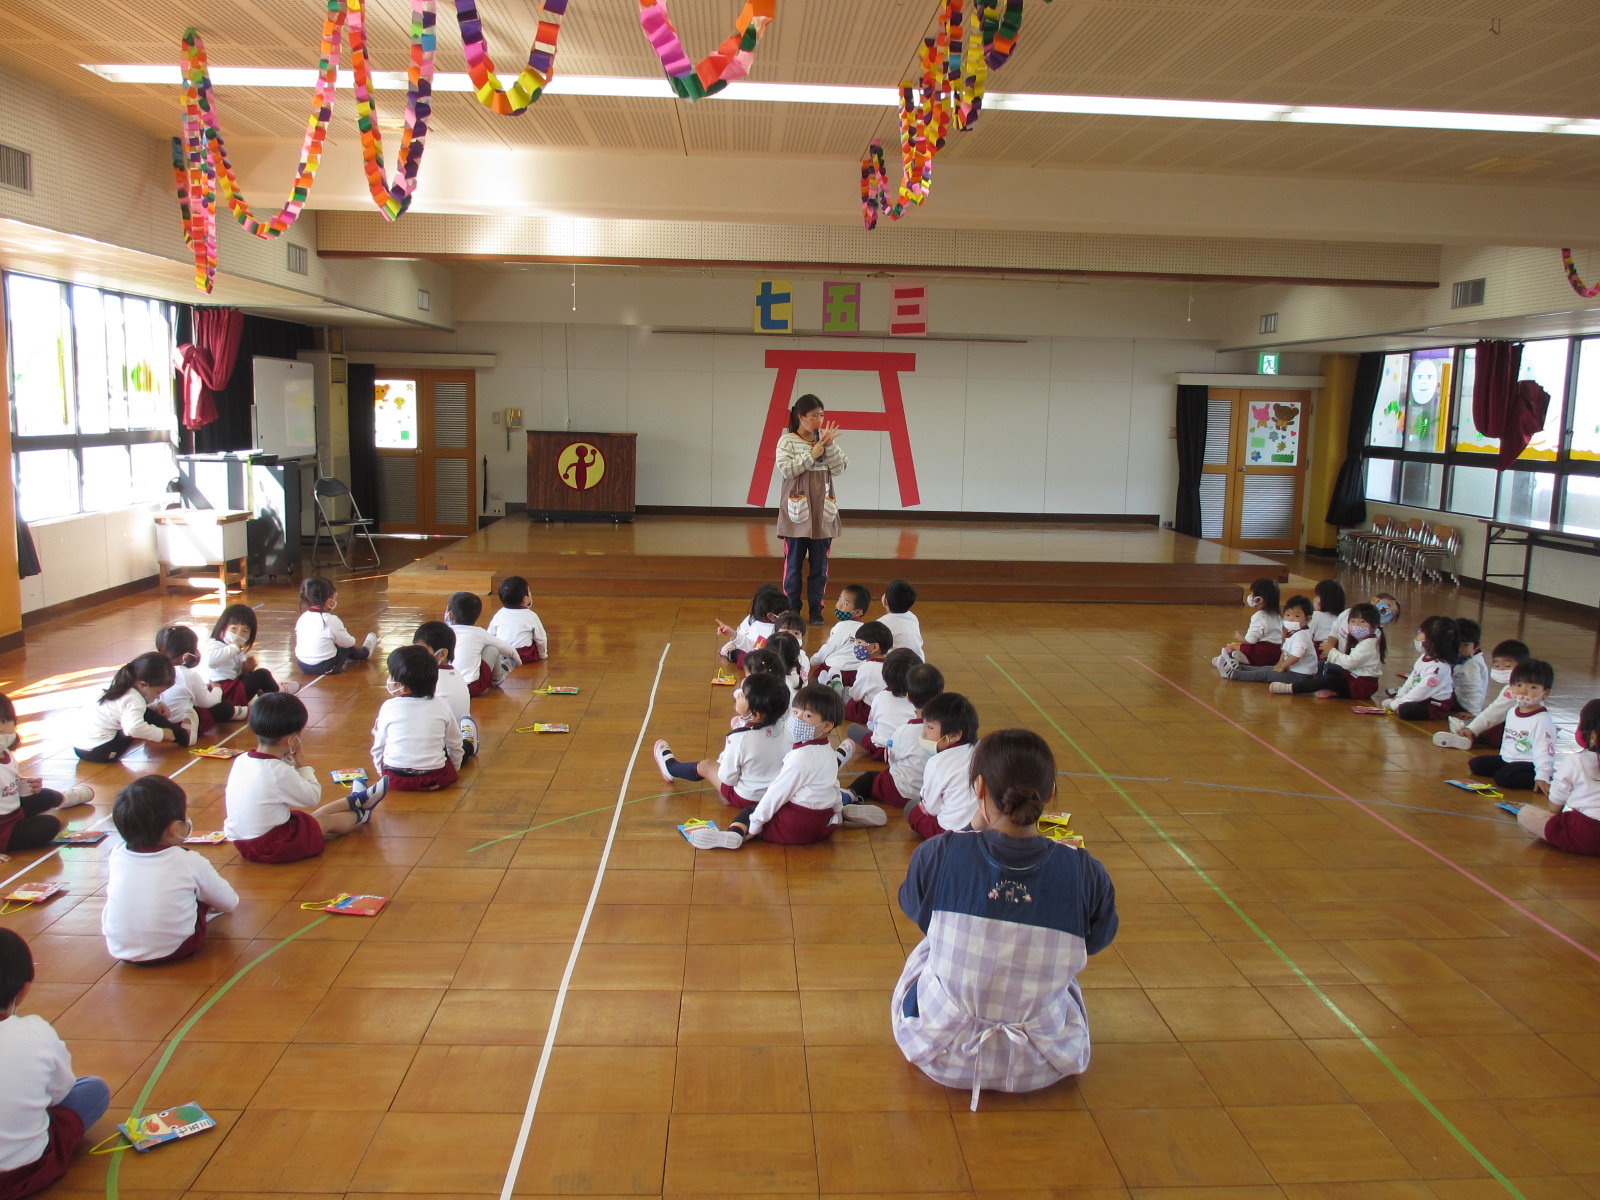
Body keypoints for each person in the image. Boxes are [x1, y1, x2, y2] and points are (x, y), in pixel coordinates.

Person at [892, 728, 1118, 1110]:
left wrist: (968, 830)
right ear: (1049, 796)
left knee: (930, 946)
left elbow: (920, 914)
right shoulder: (1085, 871)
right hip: (1043, 1061)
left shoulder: (939, 854)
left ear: (978, 790)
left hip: (941, 1051)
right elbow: (1096, 940)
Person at [685, 683, 884, 849]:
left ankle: (735, 834)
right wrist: (838, 809)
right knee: (821, 799)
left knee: (750, 811)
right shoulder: (828, 752)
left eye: (807, 716)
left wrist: (755, 825)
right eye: (795, 712)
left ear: (827, 725)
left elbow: (776, 794)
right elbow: (833, 784)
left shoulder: (799, 757)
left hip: (796, 827)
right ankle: (842, 817)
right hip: (824, 824)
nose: (796, 719)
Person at [0, 928, 110, 1199]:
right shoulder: (34, 1031)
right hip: (21, 1172)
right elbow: (61, 1093)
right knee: (93, 1090)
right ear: (23, 990)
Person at [224, 693, 386, 863]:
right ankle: (361, 814)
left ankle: (357, 799)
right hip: (272, 846)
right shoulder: (276, 771)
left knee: (308, 820)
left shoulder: (242, 760)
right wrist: (302, 763)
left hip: (243, 843)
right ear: (293, 739)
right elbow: (312, 797)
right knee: (323, 821)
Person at [103, 776, 239, 963]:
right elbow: (229, 902)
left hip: (119, 948)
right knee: (199, 896)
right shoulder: (187, 860)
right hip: (175, 948)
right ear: (175, 828)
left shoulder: (116, 855)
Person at [654, 672, 790, 807]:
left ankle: (670, 769)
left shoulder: (739, 738)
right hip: (777, 796)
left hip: (748, 798)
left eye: (742, 695)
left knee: (706, 766)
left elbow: (727, 778)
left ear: (756, 714)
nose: (737, 695)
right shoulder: (786, 728)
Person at [774, 394, 847, 626]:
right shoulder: (787, 441)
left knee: (820, 567)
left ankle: (817, 608)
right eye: (814, 415)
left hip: (822, 512)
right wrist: (812, 453)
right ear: (801, 417)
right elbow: (787, 470)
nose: (819, 419)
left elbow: (839, 468)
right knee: (793, 566)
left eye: (822, 415)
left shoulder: (826, 440)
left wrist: (828, 445)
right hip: (797, 513)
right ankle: (792, 609)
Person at [0, 694, 93, 861]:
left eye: (5, 721)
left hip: (13, 811)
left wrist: (23, 785)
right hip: (3, 830)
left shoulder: (6, 753)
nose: (1, 728)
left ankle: (64, 799)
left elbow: (7, 784)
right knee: (50, 826)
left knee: (45, 795)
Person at [846, 663, 944, 808]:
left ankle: (848, 798)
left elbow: (893, 759)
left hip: (900, 792)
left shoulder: (905, 731)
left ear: (908, 697)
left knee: (869, 778)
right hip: (933, 795)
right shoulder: (949, 729)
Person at [1510, 698, 1600, 855]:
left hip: (1585, 833)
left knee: (1526, 814)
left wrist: (1553, 813)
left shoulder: (1576, 760)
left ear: (1592, 736)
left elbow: (1557, 797)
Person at [372, 646, 464, 791]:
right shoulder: (442, 705)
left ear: (402, 687)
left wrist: (382, 774)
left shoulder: (388, 706)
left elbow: (378, 748)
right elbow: (455, 743)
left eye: (392, 676)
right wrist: (455, 769)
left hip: (394, 779)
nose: (389, 680)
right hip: (435, 778)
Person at [72, 652, 185, 761]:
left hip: (80, 747)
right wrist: (162, 734)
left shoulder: (122, 685)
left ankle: (179, 735)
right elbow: (133, 728)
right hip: (100, 752)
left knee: (144, 714)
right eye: (158, 692)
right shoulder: (135, 699)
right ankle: (182, 737)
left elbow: (125, 708)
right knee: (146, 716)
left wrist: (155, 705)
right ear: (143, 684)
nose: (158, 697)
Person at [1466, 659, 1556, 793]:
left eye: (1532, 687)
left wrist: (1543, 775)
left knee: (1504, 777)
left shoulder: (1542, 720)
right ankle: (1506, 769)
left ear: (1546, 693)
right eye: (1518, 685)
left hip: (1528, 764)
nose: (1523, 691)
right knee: (1476, 764)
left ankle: (1546, 779)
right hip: (1507, 760)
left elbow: (1544, 751)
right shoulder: (1512, 712)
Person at [1269, 602, 1385, 699]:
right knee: (1324, 665)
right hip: (1352, 677)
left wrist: (1331, 651)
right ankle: (1326, 688)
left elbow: (1349, 662)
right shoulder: (1360, 641)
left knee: (1328, 679)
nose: (1356, 625)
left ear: (1374, 626)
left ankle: (1291, 688)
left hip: (1360, 687)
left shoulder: (1369, 644)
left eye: (1362, 622)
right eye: (1353, 621)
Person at [905, 692, 981, 839]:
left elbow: (931, 809)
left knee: (911, 809)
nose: (924, 733)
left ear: (954, 736)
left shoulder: (936, 763)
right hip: (986, 831)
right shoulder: (984, 748)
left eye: (930, 728)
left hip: (950, 835)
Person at [1434, 639, 1531, 751]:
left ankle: (1468, 735)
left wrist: (1472, 728)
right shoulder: (1514, 686)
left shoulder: (1516, 690)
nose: (1501, 669)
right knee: (1478, 722)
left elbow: (1495, 711)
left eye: (1507, 665)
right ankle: (1468, 733)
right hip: (1518, 728)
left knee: (1486, 729)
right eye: (1497, 665)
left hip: (1518, 733)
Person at [155, 624, 243, 741]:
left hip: (157, 723)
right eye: (195, 649)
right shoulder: (189, 675)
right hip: (180, 722)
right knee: (223, 708)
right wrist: (218, 689)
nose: (198, 652)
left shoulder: (154, 668)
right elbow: (209, 703)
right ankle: (242, 712)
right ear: (186, 655)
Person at [200, 604, 296, 704]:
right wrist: (234, 648)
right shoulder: (216, 645)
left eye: (245, 631)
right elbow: (210, 662)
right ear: (223, 627)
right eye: (233, 629)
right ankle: (278, 692)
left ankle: (266, 693)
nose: (239, 634)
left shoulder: (237, 647)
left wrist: (245, 668)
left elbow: (236, 671)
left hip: (234, 687)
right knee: (263, 674)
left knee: (253, 675)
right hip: (225, 692)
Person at [414, 622, 478, 760]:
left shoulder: (428, 679)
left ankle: (469, 744)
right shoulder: (456, 673)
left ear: (442, 654)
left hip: (440, 741)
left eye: (422, 651)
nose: (417, 656)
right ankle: (467, 743)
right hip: (448, 738)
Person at [1222, 594, 1317, 685]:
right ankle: (1239, 667)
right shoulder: (1292, 632)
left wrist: (1283, 666)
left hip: (1301, 676)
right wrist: (1280, 663)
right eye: (1287, 615)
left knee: (1267, 674)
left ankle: (1234, 674)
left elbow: (1296, 656)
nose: (1290, 619)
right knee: (1268, 668)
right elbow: (1284, 651)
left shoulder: (1301, 635)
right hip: (1292, 670)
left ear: (1308, 619)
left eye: (1296, 616)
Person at [847, 646, 921, 759]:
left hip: (882, 751)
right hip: (911, 752)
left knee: (852, 729)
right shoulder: (921, 699)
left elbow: (871, 724)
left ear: (885, 675)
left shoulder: (880, 697)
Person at [294, 577, 376, 676]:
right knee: (346, 646)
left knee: (332, 640)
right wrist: (352, 641)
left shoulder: (303, 618)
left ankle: (348, 656)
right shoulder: (330, 619)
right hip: (328, 667)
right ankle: (364, 652)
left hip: (303, 666)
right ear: (328, 601)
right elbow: (348, 642)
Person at [1381, 615, 1459, 721]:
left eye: (1421, 632)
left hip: (1433, 705)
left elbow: (1422, 690)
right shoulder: (1424, 657)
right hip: (1421, 698)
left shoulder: (1439, 668)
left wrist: (1396, 704)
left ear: (1432, 640)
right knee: (1402, 702)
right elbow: (1412, 678)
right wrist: (1400, 695)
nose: (1417, 635)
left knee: (1406, 710)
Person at [445, 591, 518, 698]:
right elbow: (505, 648)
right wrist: (517, 659)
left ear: (450, 615)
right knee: (492, 649)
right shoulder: (479, 632)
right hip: (472, 687)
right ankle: (498, 678)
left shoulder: (443, 633)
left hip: (450, 688)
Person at [813, 585, 871, 686]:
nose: (839, 605)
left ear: (858, 612)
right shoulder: (864, 628)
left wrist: (814, 660)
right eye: (839, 599)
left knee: (818, 674)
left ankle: (831, 686)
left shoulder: (841, 627)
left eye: (845, 603)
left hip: (838, 672)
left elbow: (828, 648)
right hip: (857, 673)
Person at [1218, 578, 1283, 668]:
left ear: (1259, 599)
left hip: (1262, 652)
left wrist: (1240, 638)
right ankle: (1239, 657)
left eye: (1252, 593)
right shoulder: (1278, 615)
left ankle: (1240, 660)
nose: (1250, 596)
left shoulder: (1259, 616)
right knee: (1242, 647)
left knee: (1232, 646)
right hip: (1276, 653)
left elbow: (1250, 640)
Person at [716, 584, 786, 666]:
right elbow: (750, 644)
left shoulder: (781, 626)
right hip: (755, 654)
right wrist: (731, 644)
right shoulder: (752, 620)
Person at [487, 575, 549, 664]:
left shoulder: (499, 614)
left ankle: (508, 662)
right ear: (525, 598)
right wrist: (543, 655)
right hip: (524, 655)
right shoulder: (531, 616)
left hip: (503, 653)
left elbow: (490, 635)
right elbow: (541, 638)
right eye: (529, 591)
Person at [842, 620, 894, 725]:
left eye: (859, 643)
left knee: (842, 698)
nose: (856, 646)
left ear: (875, 647)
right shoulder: (893, 663)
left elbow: (855, 696)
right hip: (889, 709)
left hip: (867, 710)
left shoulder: (868, 667)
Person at [877, 580, 924, 659]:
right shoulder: (913, 617)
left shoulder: (880, 624)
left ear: (885, 601)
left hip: (895, 666)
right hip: (918, 663)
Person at [1453, 617, 1489, 717]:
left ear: (1476, 646)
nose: (1460, 649)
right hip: (1459, 695)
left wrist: (1474, 712)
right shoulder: (1463, 657)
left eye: (1465, 645)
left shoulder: (1471, 663)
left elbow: (1475, 688)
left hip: (1465, 704)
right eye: (1456, 644)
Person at [771, 612, 811, 680]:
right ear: (776, 633)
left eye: (796, 633)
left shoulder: (802, 657)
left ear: (802, 637)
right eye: (785, 632)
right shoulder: (770, 652)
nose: (790, 636)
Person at [1308, 579, 1346, 647]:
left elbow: (1305, 637)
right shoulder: (1343, 616)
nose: (1314, 599)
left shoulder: (1316, 616)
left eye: (1317, 596)